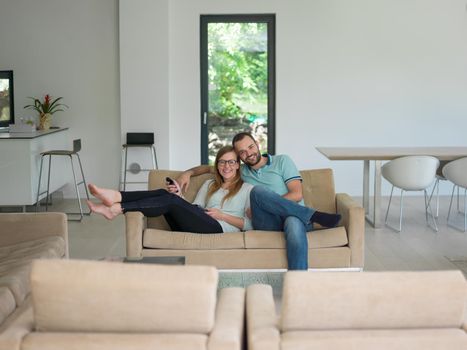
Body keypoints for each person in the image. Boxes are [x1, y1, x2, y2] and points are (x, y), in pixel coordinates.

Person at [175, 132, 341, 270]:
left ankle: (298, 282)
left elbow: (297, 194)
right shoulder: (240, 170)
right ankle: (315, 215)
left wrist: (270, 204)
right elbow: (210, 167)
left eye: (250, 147)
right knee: (258, 192)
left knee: (290, 219)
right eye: (242, 152)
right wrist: (187, 173)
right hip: (267, 222)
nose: (248, 153)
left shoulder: (282, 161)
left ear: (257, 143)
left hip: (294, 215)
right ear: (239, 158)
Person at [87, 145, 253, 234]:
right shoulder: (210, 184)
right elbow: (195, 209)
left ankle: (117, 206)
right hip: (199, 223)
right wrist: (179, 196)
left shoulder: (247, 189)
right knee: (166, 194)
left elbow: (249, 225)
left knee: (171, 199)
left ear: (238, 165)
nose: (226, 166)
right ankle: (117, 196)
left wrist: (222, 215)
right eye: (222, 162)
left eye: (231, 162)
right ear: (217, 165)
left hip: (218, 228)